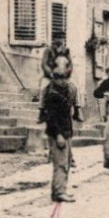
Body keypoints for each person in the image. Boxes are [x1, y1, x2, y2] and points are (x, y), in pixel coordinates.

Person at [44, 55, 82, 203]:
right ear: (53, 78)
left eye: (64, 77)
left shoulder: (65, 90)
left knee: (65, 162)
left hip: (65, 131)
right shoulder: (52, 94)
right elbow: (52, 118)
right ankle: (59, 192)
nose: (62, 80)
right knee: (60, 163)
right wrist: (59, 135)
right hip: (58, 133)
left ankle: (59, 190)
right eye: (58, 77)